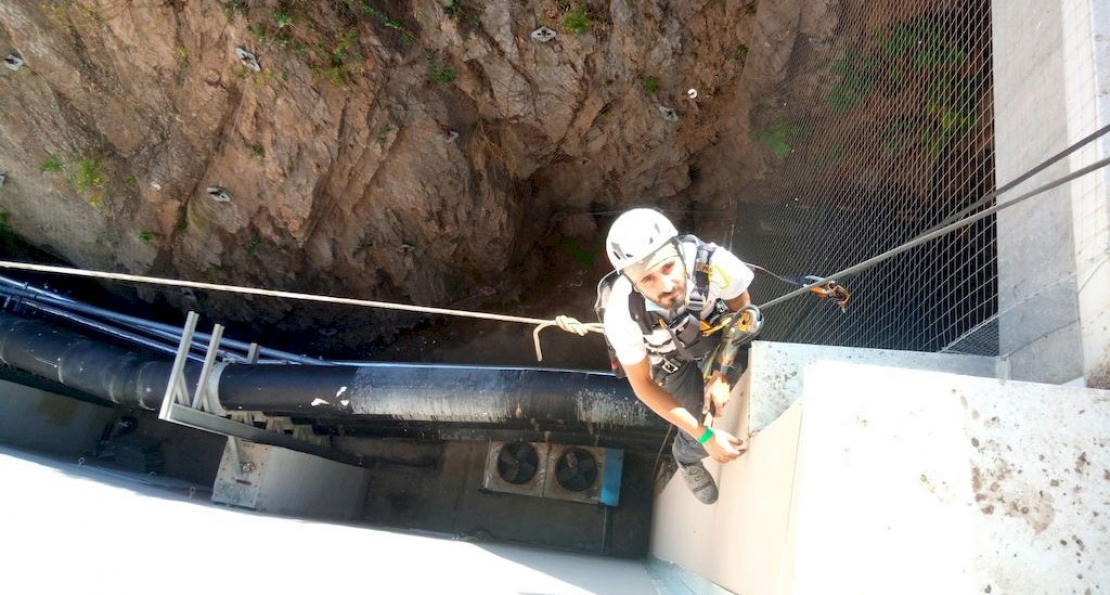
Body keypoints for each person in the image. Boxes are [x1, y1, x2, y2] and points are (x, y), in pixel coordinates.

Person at [602, 208, 751, 504]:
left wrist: (721, 372)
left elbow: (743, 312)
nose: (666, 287)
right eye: (648, 280)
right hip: (669, 361)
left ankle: (718, 383)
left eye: (668, 267)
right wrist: (706, 437)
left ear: (678, 252)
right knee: (699, 428)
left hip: (712, 338)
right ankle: (686, 458)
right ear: (633, 283)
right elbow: (643, 385)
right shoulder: (622, 312)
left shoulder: (716, 265)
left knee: (743, 375)